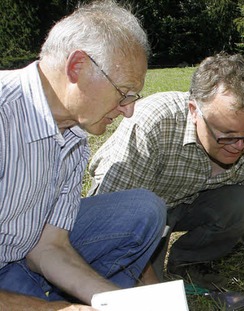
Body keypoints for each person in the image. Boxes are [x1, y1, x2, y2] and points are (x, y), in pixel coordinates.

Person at [88, 53, 244, 310]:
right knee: (132, 283)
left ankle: (188, 261)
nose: (239, 146)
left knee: (242, 204)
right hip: (134, 214)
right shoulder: (154, 124)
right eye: (227, 135)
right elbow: (116, 218)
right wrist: (155, 291)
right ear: (194, 111)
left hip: (183, 203)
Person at [0, 1, 166, 309]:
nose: (129, 111)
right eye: (124, 92)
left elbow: (50, 247)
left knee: (143, 209)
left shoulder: (75, 136)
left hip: (19, 258)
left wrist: (116, 304)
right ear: (77, 66)